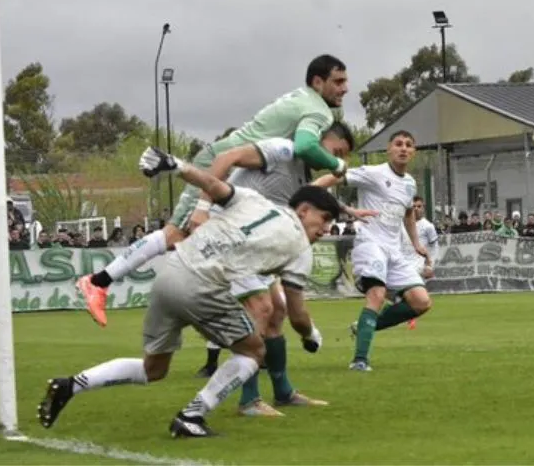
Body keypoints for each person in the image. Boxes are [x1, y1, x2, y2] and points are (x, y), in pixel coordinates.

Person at [38, 146, 341, 437]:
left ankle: (70, 385)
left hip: (170, 273)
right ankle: (192, 416)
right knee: (253, 352)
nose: (326, 228)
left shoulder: (254, 200)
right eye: (325, 218)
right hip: (202, 286)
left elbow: (212, 183)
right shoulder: (301, 248)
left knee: (153, 369)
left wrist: (176, 165)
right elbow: (296, 313)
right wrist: (310, 335)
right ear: (304, 210)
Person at [76, 55, 350, 327]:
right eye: (338, 82)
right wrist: (337, 165)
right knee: (174, 234)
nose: (345, 89)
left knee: (240, 278)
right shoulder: (319, 112)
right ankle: (98, 282)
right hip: (221, 165)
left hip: (237, 170)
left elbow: (301, 161)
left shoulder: (301, 101)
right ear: (318, 82)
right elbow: (305, 145)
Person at [191, 123, 361, 418]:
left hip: (258, 245)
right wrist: (201, 207)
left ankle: (283, 392)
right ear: (320, 139)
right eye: (336, 152)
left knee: (277, 309)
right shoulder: (282, 150)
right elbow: (227, 157)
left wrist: (345, 206)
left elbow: (315, 193)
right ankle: (248, 400)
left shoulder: (301, 175)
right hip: (231, 237)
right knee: (260, 309)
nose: (334, 160)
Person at [312, 130, 432, 371]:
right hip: (370, 245)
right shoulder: (373, 173)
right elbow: (331, 179)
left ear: (413, 152)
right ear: (389, 149)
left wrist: (416, 243)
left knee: (421, 302)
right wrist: (311, 190)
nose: (403, 148)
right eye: (398, 144)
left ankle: (364, 326)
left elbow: (408, 213)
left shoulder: (409, 183)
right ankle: (359, 361)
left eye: (409, 145)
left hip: (393, 251)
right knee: (377, 295)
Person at [400, 195, 440, 329]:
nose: (416, 209)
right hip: (402, 262)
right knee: (404, 294)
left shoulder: (428, 226)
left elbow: (434, 247)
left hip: (418, 264)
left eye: (419, 206)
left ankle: (410, 318)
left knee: (414, 294)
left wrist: (430, 265)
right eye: (414, 206)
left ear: (423, 208)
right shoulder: (403, 224)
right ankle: (406, 315)